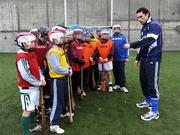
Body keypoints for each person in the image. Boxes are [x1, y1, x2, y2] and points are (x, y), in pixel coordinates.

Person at [124, 7, 163, 121]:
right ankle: (148, 101)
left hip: (153, 59)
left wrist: (131, 44)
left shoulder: (155, 25)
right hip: (145, 59)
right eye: (137, 17)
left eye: (141, 16)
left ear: (147, 14)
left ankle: (155, 111)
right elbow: (143, 46)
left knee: (152, 85)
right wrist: (138, 58)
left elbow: (148, 41)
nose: (139, 19)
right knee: (143, 81)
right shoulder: (144, 28)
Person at [15, 32, 46, 135]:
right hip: (27, 88)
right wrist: (38, 83)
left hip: (35, 86)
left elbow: (37, 68)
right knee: (27, 110)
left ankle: (32, 127)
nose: (34, 44)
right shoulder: (21, 57)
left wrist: (42, 78)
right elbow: (26, 75)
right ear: (24, 43)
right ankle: (25, 133)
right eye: (32, 42)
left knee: (33, 108)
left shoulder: (31, 53)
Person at [46, 30, 73, 134]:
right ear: (54, 40)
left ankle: (63, 112)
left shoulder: (60, 50)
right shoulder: (53, 52)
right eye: (61, 38)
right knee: (57, 101)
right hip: (57, 79)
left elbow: (64, 63)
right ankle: (53, 124)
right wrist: (67, 71)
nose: (63, 39)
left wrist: (69, 68)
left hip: (63, 77)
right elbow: (56, 68)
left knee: (64, 97)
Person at [109, 24, 129, 93]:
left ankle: (123, 85)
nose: (116, 30)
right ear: (113, 30)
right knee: (115, 71)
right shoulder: (110, 38)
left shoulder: (124, 38)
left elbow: (127, 48)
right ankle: (117, 84)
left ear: (120, 30)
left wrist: (127, 56)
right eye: (115, 29)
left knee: (121, 72)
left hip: (122, 58)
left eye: (118, 29)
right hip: (113, 58)